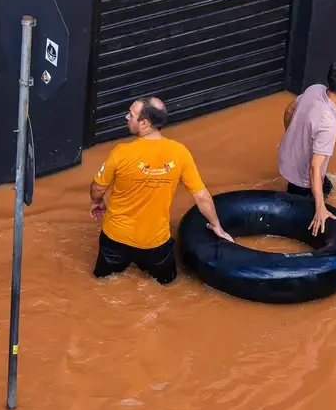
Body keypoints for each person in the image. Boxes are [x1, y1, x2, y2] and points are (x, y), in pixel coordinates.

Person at [89, 97, 234, 284]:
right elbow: (201, 196)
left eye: (131, 115)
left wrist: (96, 202)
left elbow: (98, 187)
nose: (126, 117)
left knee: (101, 283)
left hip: (115, 239)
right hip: (155, 244)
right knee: (167, 285)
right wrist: (216, 226)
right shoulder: (180, 153)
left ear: (144, 123)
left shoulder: (120, 152)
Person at [278, 60, 336, 236]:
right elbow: (314, 167)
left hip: (285, 156)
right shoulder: (328, 124)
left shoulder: (315, 89)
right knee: (309, 208)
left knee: (327, 186)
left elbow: (288, 110)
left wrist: (291, 136)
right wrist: (320, 208)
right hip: (301, 177)